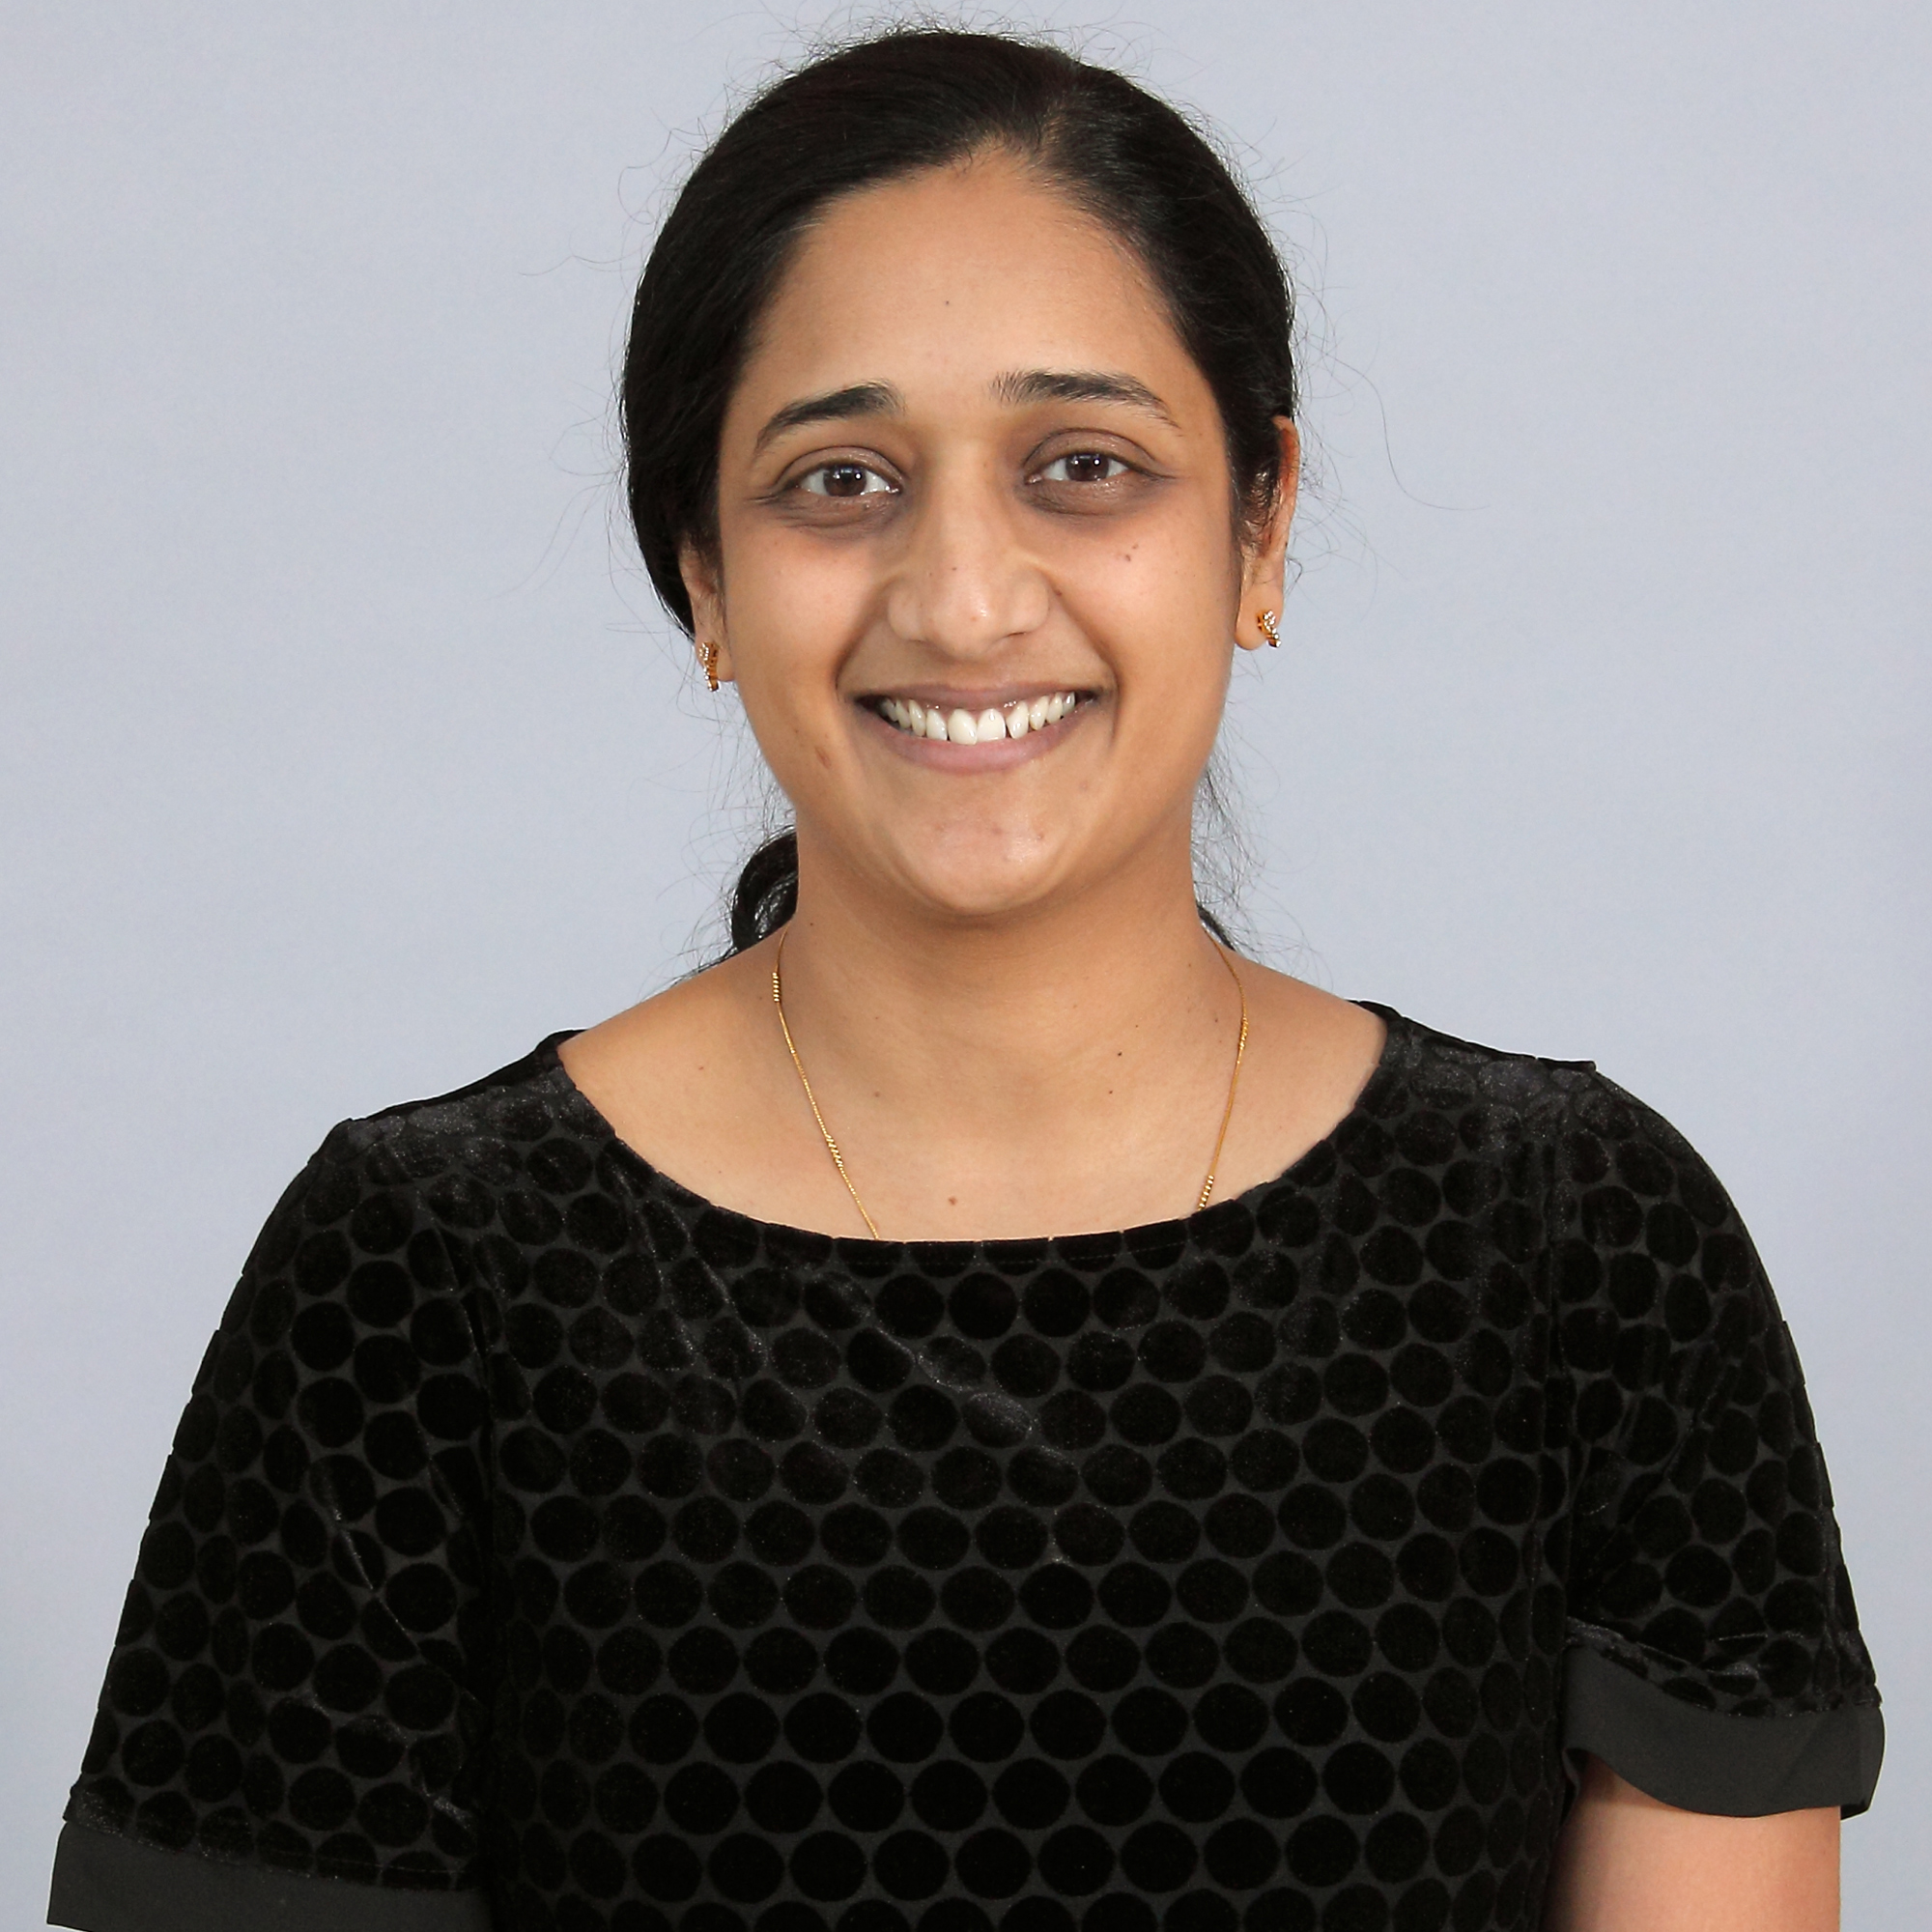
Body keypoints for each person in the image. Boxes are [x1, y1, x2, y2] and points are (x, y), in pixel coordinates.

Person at [47, 28, 1880, 1932]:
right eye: (839, 479)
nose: (965, 597)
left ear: (1259, 523)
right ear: (701, 570)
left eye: (1083, 467)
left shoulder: (1579, 1247)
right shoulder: (423, 1283)